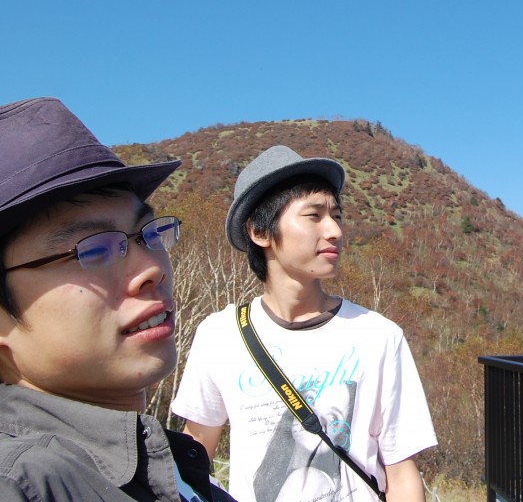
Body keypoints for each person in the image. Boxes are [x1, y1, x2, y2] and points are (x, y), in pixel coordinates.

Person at [0, 97, 234, 501]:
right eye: (92, 250)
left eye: (149, 235)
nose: (152, 268)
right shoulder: (5, 492)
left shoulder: (177, 475)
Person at [172, 145, 437, 502]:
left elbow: (402, 475)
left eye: (337, 216)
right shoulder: (219, 336)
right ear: (260, 232)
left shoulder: (379, 336)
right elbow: (194, 455)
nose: (334, 231)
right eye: (314, 216)